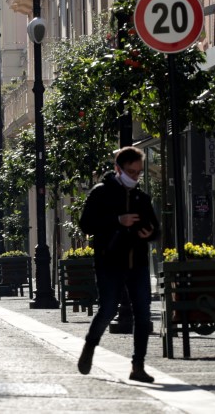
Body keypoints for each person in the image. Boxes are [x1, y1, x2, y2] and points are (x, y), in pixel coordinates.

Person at [77, 146, 160, 383]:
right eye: (130, 172)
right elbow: (86, 225)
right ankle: (90, 346)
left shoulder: (141, 197)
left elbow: (155, 228)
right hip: (109, 261)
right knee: (108, 309)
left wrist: (149, 233)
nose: (134, 177)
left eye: (138, 173)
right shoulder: (100, 193)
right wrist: (117, 221)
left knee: (143, 315)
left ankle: (138, 366)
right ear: (118, 168)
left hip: (138, 263)